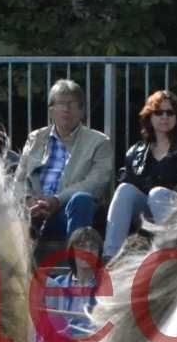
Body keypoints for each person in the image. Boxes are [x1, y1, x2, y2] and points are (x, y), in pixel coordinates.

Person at [102, 89, 177, 259]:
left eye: (170, 113)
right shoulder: (136, 151)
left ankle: (173, 255)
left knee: (157, 194)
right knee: (124, 190)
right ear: (149, 116)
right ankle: (110, 257)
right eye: (158, 112)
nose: (164, 117)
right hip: (148, 215)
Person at [14, 79, 113, 244]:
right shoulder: (35, 138)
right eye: (60, 103)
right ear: (51, 110)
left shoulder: (99, 142)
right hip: (34, 210)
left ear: (82, 111)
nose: (66, 109)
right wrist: (28, 200)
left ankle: (76, 267)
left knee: (82, 199)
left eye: (72, 104)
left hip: (68, 210)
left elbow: (95, 183)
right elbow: (20, 177)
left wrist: (57, 200)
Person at [32, 227, 103, 342]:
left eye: (92, 247)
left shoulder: (104, 288)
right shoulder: (56, 284)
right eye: (81, 246)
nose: (87, 251)